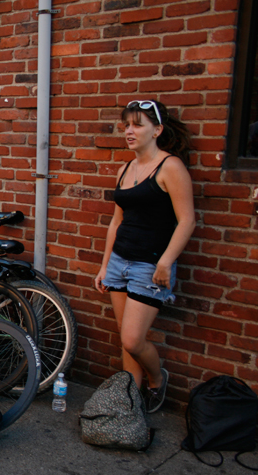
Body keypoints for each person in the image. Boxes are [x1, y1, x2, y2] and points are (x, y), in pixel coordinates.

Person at [94, 99, 195, 414]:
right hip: (119, 263)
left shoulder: (171, 167)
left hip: (149, 266)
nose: (129, 131)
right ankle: (130, 403)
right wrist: (104, 265)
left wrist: (165, 262)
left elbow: (187, 220)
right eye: (126, 125)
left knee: (134, 340)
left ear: (157, 130)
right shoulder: (126, 168)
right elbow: (116, 222)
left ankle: (156, 380)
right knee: (126, 343)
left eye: (137, 124)